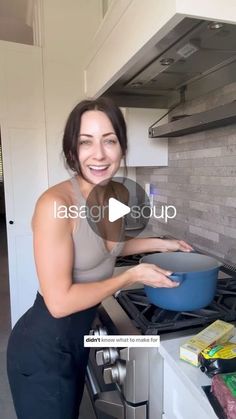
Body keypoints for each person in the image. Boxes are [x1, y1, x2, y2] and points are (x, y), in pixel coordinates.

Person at [7, 97, 192, 419]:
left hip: (76, 339)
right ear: (71, 152)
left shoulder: (115, 194)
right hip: (44, 347)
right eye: (86, 142)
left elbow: (112, 246)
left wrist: (163, 244)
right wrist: (130, 277)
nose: (99, 154)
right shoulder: (55, 204)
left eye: (110, 141)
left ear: (122, 148)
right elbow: (59, 303)